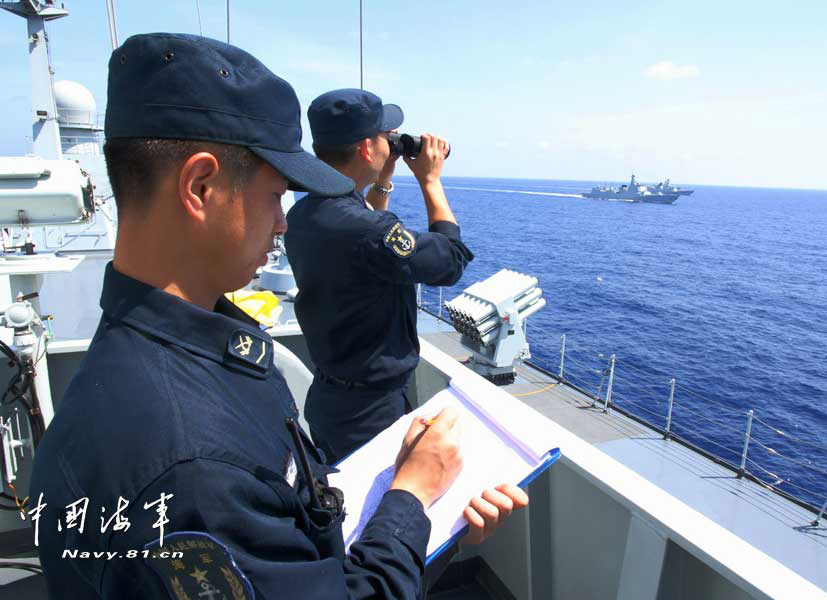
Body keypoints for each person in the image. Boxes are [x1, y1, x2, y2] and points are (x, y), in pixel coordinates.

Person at [28, 33, 526, 600]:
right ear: (201, 186)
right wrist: (412, 497)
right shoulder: (192, 467)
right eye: (274, 195)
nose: (283, 224)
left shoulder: (164, 362)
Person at [284, 88, 473, 464]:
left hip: (331, 400)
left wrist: (383, 177)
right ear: (366, 149)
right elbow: (451, 261)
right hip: (371, 414)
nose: (392, 145)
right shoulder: (367, 231)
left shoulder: (302, 215)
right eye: (385, 139)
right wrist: (431, 181)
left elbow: (367, 238)